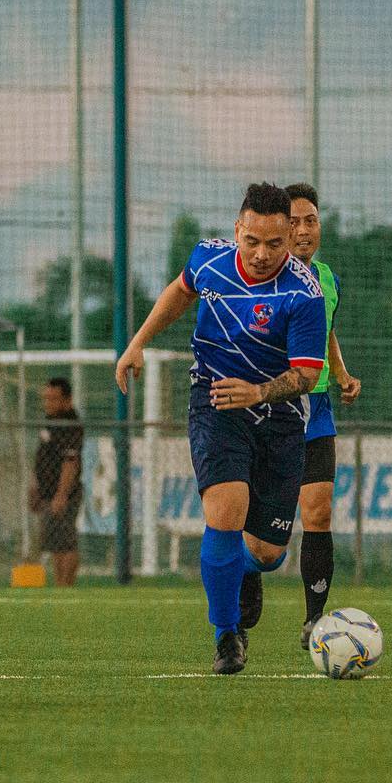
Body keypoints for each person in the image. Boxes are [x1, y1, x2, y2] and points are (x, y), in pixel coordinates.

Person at [116, 182, 326, 675]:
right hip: (215, 402)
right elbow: (180, 290)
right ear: (238, 229)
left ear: (289, 237)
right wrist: (137, 342)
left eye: (275, 244)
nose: (261, 253)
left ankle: (241, 572)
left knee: (269, 553)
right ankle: (227, 636)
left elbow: (308, 375)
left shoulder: (303, 294)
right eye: (252, 240)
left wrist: (257, 392)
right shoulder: (210, 258)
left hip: (279, 418)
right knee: (225, 512)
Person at [273, 183, 361, 649]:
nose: (303, 230)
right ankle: (245, 590)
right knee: (262, 539)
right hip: (272, 406)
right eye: (294, 221)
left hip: (318, 405)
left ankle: (314, 619)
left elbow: (325, 332)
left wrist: (343, 374)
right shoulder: (264, 280)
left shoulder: (327, 279)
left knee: (319, 511)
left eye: (311, 220)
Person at [29, 377, 84, 587]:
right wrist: (35, 486)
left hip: (64, 494)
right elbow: (40, 456)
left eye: (53, 399)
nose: (48, 403)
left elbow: (70, 463)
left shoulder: (70, 424)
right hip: (46, 492)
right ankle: (59, 585)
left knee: (66, 541)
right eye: (46, 398)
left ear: (66, 400)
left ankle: (66, 585)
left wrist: (61, 495)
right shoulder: (48, 421)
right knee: (54, 542)